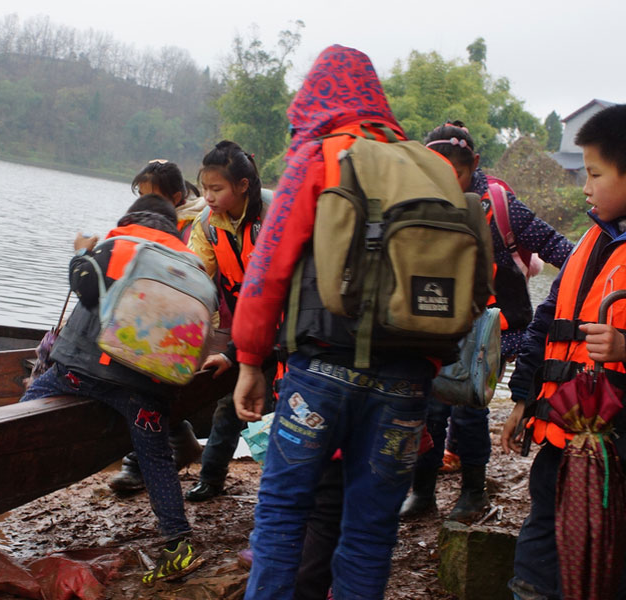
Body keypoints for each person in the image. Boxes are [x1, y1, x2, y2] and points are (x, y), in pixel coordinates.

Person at [230, 44, 439, 600]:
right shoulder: (428, 164)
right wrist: (427, 368)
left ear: (317, 94)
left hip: (320, 371)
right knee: (371, 533)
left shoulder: (320, 155)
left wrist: (250, 360)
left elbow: (268, 266)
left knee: (282, 514)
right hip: (407, 382)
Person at [500, 102, 626, 599]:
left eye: (594, 173)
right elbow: (547, 322)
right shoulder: (591, 241)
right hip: (563, 449)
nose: (585, 186)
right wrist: (523, 397)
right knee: (533, 575)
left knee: (606, 582)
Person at [21, 194, 208, 585]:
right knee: (156, 459)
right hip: (146, 388)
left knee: (27, 406)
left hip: (83, 372)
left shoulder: (116, 244)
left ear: (133, 216)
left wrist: (80, 255)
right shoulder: (191, 262)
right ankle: (178, 545)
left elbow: (84, 288)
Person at [399, 121, 574, 522]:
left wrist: (571, 293)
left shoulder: (498, 204)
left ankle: (473, 493)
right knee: (429, 410)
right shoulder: (416, 202)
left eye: (455, 173)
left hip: (490, 327)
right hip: (435, 322)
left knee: (470, 408)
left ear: (473, 164)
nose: (444, 181)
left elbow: (558, 249)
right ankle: (422, 492)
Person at [108, 160, 206, 494]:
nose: (148, 202)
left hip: (180, 318)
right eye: (142, 195)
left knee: (137, 376)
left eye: (154, 196)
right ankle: (183, 443)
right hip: (149, 312)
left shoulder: (194, 224)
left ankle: (136, 466)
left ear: (177, 196)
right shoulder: (150, 221)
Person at [183, 140, 271, 502]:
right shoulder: (207, 224)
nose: (208, 197)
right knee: (228, 400)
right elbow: (194, 274)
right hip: (244, 325)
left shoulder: (274, 217)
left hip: (285, 322)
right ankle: (212, 477)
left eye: (216, 189)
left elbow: (279, 287)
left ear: (243, 186)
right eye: (204, 189)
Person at [130, 159, 207, 243]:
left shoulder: (191, 230)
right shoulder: (143, 221)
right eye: (141, 195)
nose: (144, 203)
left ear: (176, 198)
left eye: (153, 198)